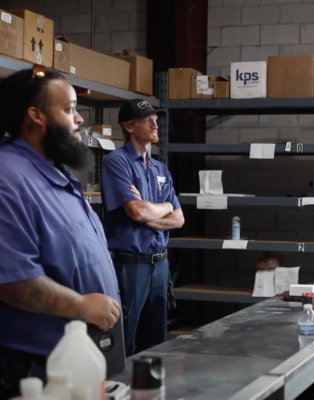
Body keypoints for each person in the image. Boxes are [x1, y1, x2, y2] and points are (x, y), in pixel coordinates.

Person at [0, 66, 121, 399]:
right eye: (68, 109)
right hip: (34, 368)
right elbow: (12, 283)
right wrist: (82, 305)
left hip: (79, 356)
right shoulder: (8, 178)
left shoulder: (56, 175)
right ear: (36, 116)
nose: (79, 119)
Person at [101, 99, 184, 356]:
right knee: (125, 342)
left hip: (160, 266)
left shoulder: (160, 168)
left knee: (155, 342)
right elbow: (135, 211)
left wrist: (150, 212)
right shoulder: (117, 162)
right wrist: (163, 208)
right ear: (128, 126)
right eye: (147, 119)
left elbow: (179, 218)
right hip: (130, 266)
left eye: (155, 119)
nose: (154, 124)